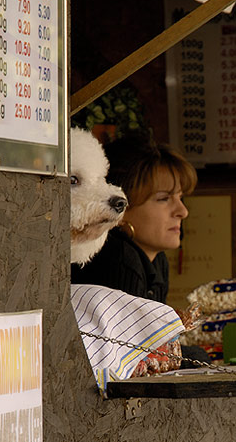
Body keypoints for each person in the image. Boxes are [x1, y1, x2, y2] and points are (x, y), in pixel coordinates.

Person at [71, 132, 211, 367]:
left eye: (180, 197)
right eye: (164, 199)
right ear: (124, 204)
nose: (182, 211)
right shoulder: (120, 260)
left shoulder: (156, 261)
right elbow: (137, 360)